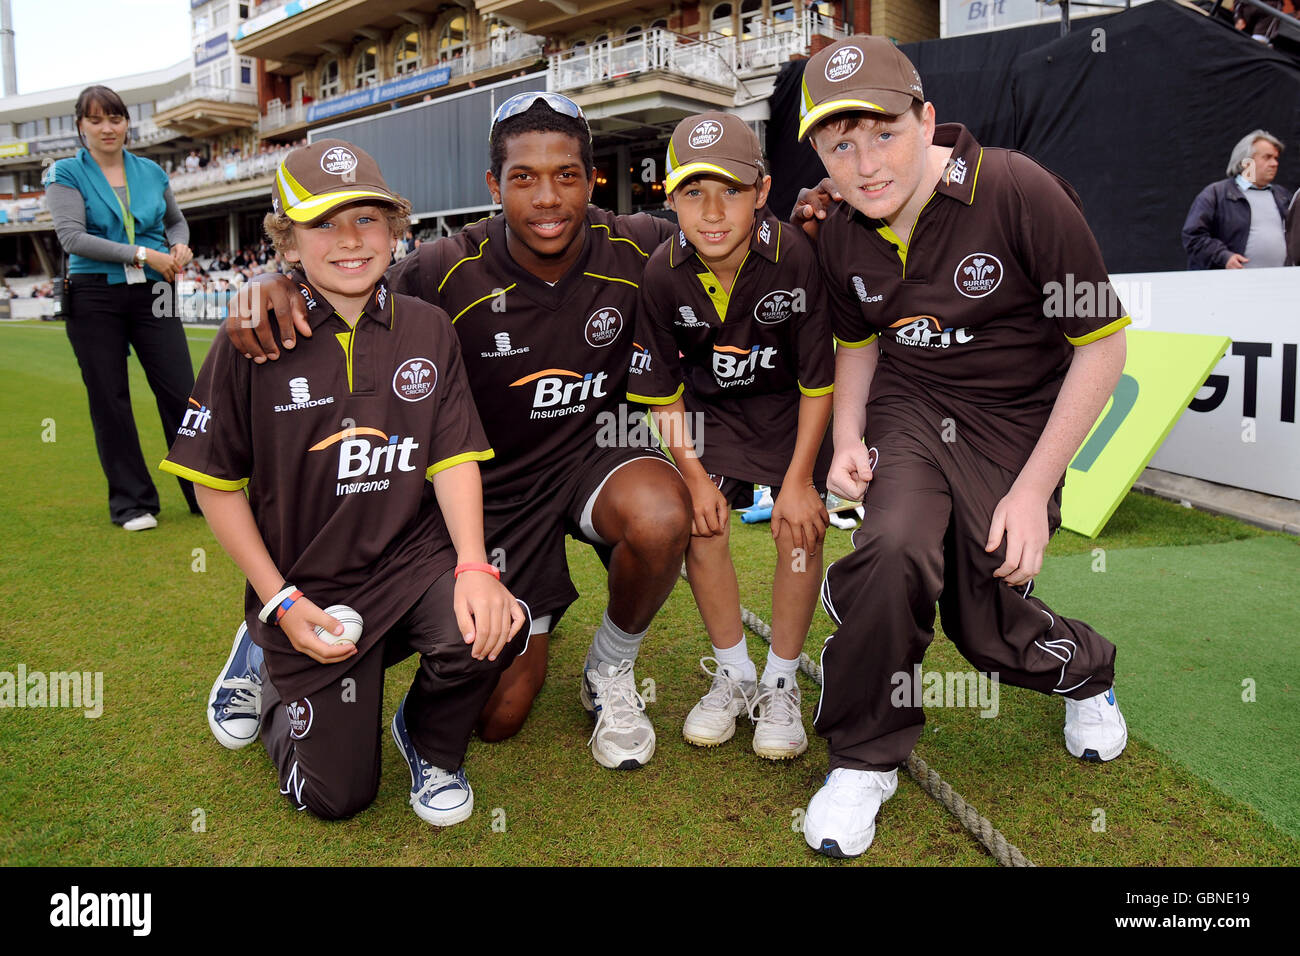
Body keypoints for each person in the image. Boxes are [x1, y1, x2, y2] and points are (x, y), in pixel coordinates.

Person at [226, 93, 692, 771]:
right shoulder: (442, 268)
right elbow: (347, 279)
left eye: (565, 174)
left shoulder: (640, 243)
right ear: (492, 185)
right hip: (488, 493)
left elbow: (735, 241)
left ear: (591, 179)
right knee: (499, 718)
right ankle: (271, 634)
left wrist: (820, 206)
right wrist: (277, 280)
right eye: (523, 177)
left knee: (661, 515)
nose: (547, 197)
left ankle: (610, 670)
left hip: (593, 460)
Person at [793, 36, 1131, 858]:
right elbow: (858, 343)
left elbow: (1102, 346)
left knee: (984, 627)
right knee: (895, 547)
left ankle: (1085, 671)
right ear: (817, 155)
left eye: (884, 133)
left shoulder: (1018, 188)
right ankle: (865, 756)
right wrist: (845, 439)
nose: (866, 163)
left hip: (1015, 423)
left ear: (928, 120)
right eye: (841, 144)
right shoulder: (840, 231)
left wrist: (1031, 491)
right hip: (912, 408)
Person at [161, 139, 526, 825]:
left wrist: (475, 566)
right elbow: (214, 481)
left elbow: (451, 459)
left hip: (410, 563)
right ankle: (263, 658)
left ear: (395, 229)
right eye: (324, 223)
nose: (350, 240)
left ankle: (429, 742)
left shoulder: (427, 327)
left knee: (497, 625)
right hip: (309, 581)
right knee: (337, 799)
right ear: (288, 243)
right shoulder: (253, 334)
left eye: (367, 218)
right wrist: (278, 601)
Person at [629, 112, 834, 759]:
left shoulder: (796, 256)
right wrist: (692, 475)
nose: (713, 211)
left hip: (788, 416)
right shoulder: (661, 272)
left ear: (763, 191)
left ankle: (779, 682)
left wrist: (799, 482)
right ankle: (736, 673)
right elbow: (663, 393)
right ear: (670, 197)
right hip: (711, 419)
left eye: (731, 191)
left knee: (800, 530)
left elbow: (818, 383)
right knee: (700, 520)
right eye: (694, 192)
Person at [43, 84, 200, 530]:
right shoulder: (65, 174)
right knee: (110, 397)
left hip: (156, 289)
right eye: (95, 120)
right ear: (80, 126)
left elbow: (174, 220)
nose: (107, 128)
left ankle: (203, 490)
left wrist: (179, 245)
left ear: (127, 123)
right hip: (94, 292)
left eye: (114, 118)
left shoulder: (151, 171)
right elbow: (72, 237)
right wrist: (142, 254)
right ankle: (133, 503)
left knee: (183, 392)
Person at [1182, 130, 1291, 270]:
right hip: (1232, 286)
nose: (1274, 163)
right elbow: (1193, 236)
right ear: (1246, 162)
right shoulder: (1216, 194)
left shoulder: (1283, 196)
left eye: (1276, 158)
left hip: (1280, 284)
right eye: (1267, 157)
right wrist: (1224, 257)